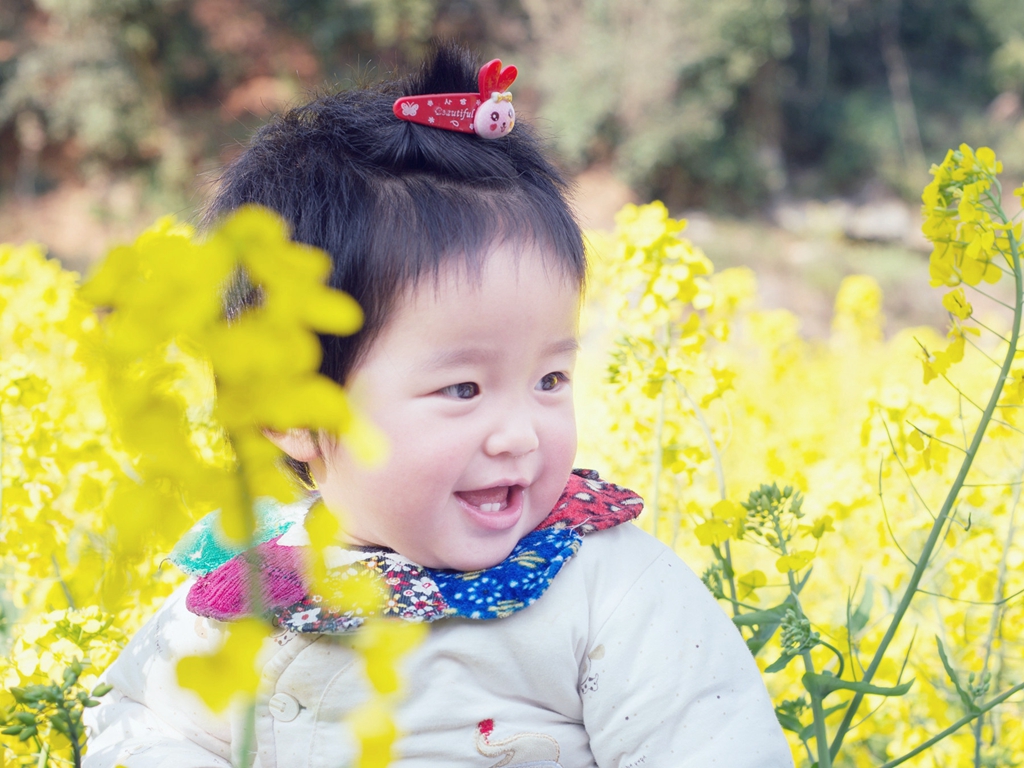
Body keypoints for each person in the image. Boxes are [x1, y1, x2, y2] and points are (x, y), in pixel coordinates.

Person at [84, 43, 793, 768]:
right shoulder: (250, 586)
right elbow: (140, 727)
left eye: (550, 379)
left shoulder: (610, 591)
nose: (520, 435)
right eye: (463, 389)